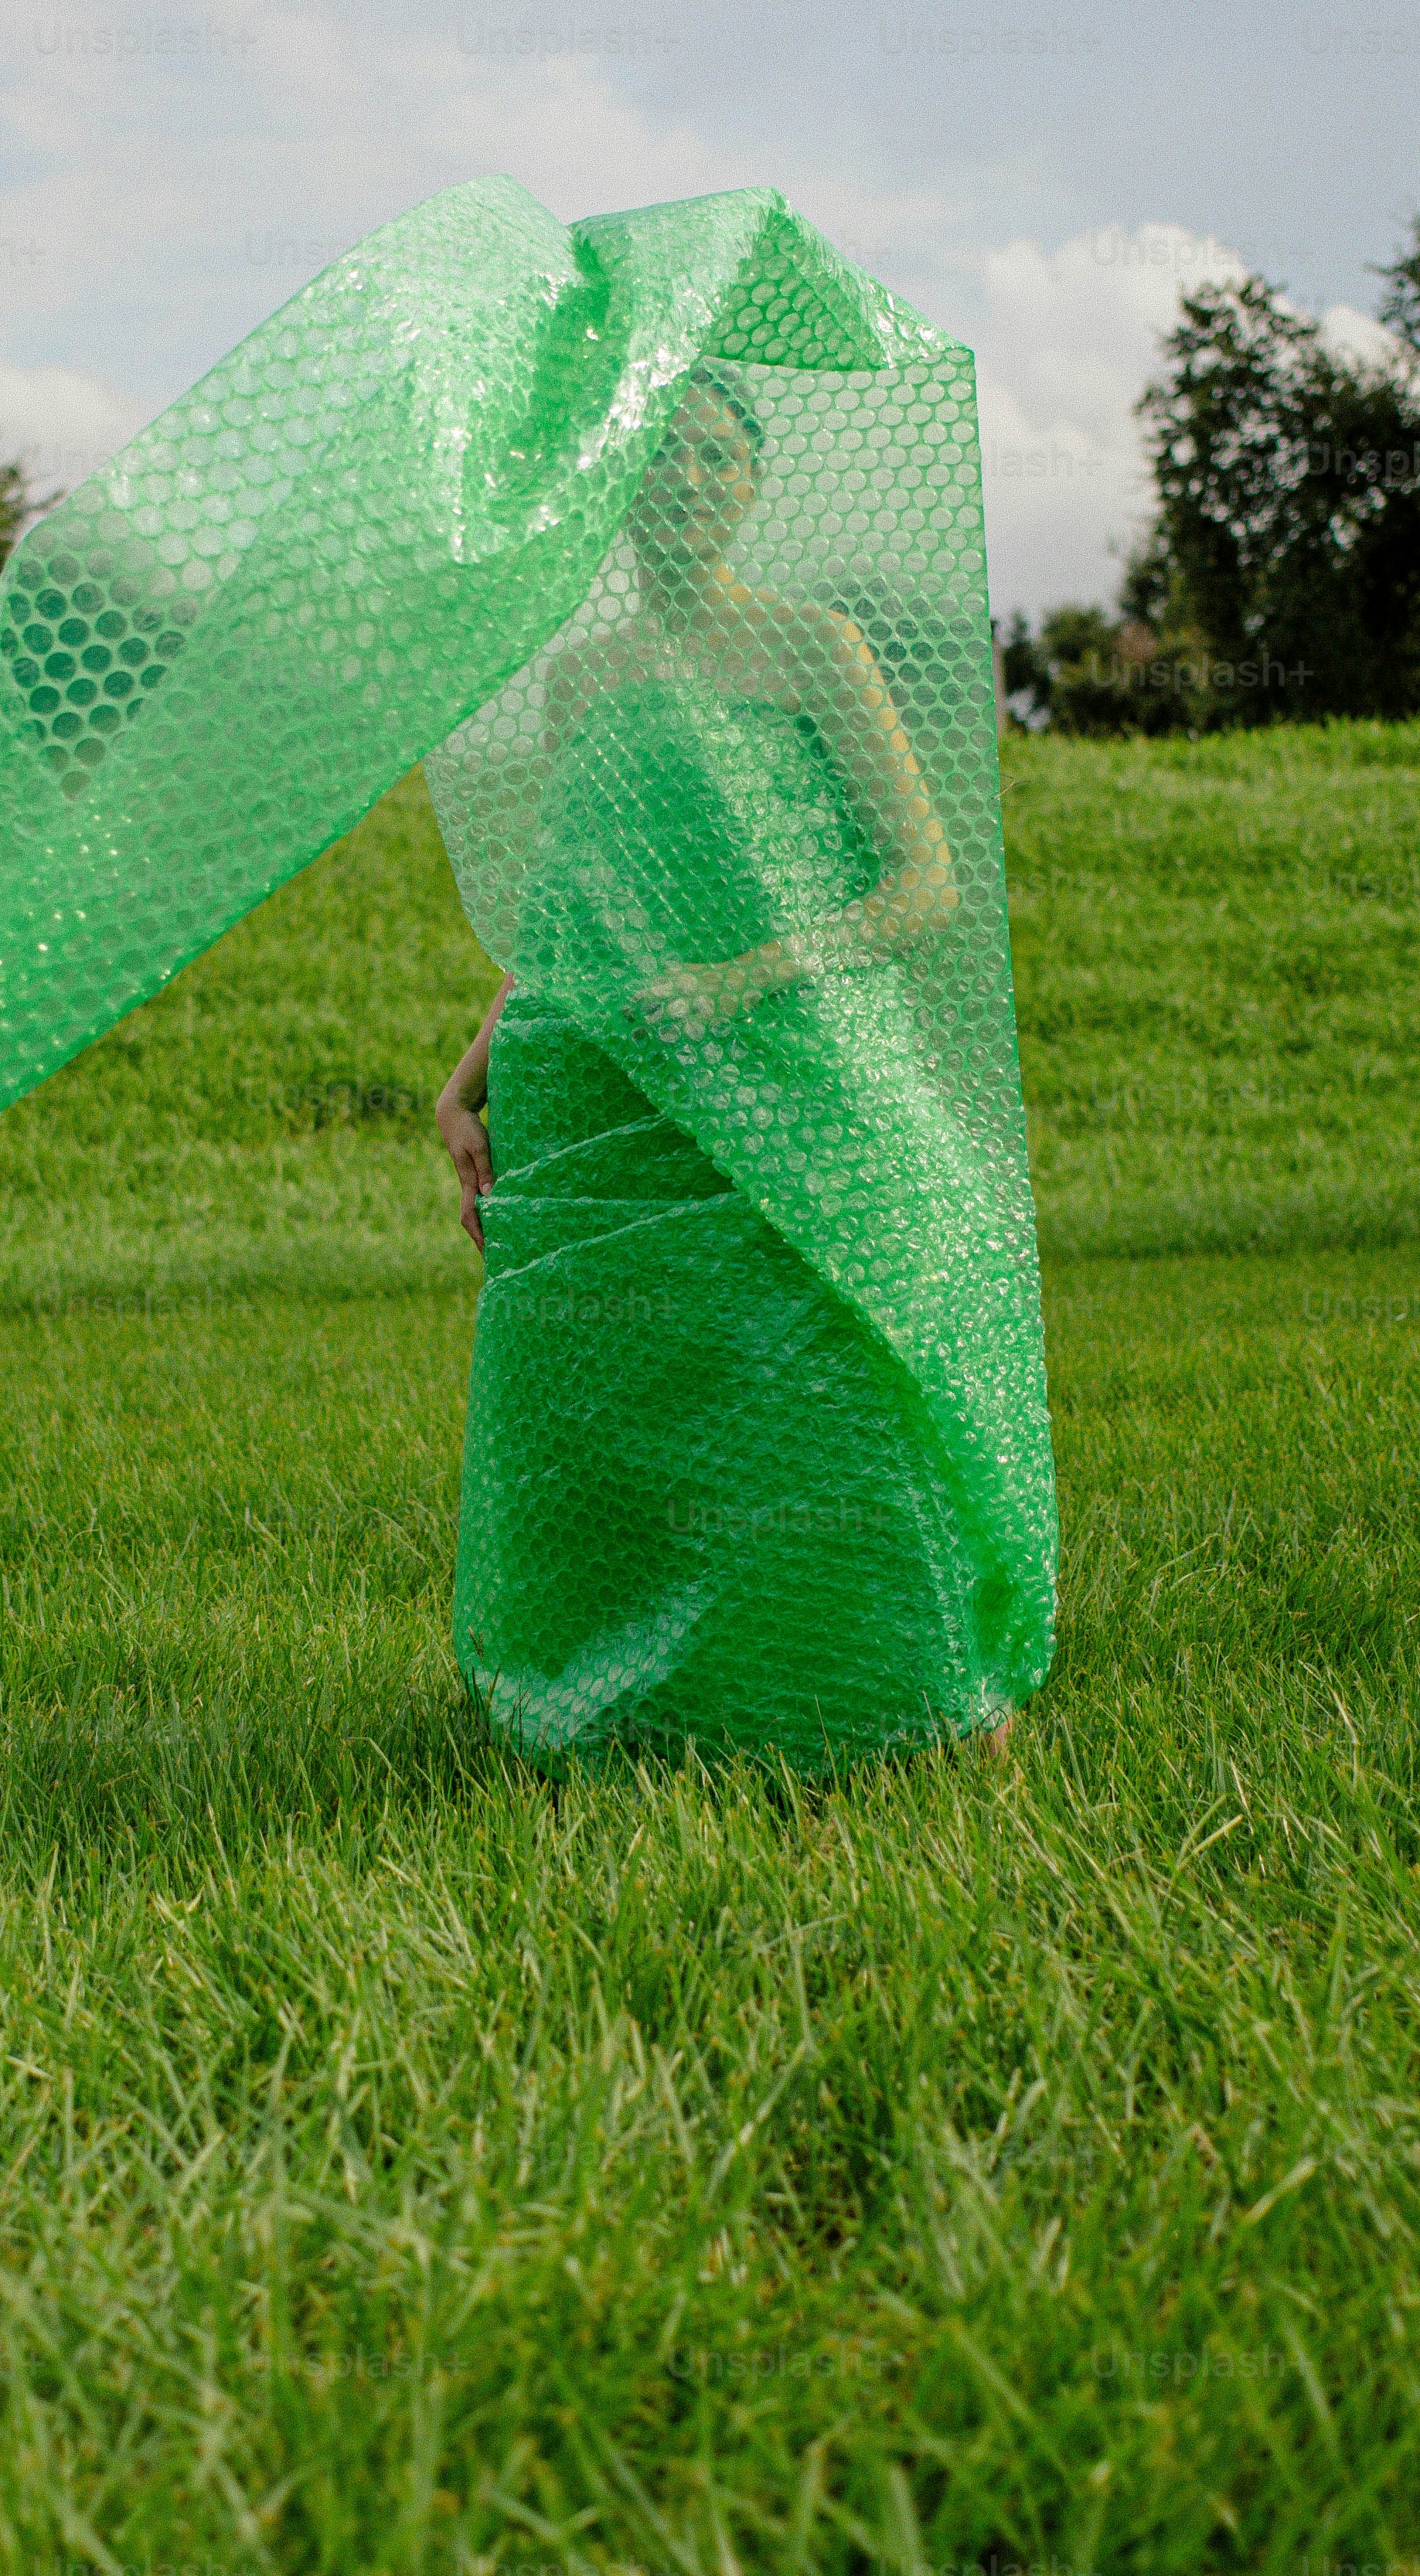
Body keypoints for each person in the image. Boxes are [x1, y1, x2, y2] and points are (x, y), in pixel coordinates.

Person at [431, 369, 1016, 1770]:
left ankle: (916, 1698)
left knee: (830, 1376)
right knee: (623, 1396)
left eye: (713, 459)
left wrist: (743, 978)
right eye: (660, 461)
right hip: (602, 1083)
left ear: (751, 485)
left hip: (790, 1069)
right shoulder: (589, 677)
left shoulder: (816, 647)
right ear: (621, 496)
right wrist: (473, 1076)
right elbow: (566, 914)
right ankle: (645, 1706)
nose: (686, 482)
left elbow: (922, 880)